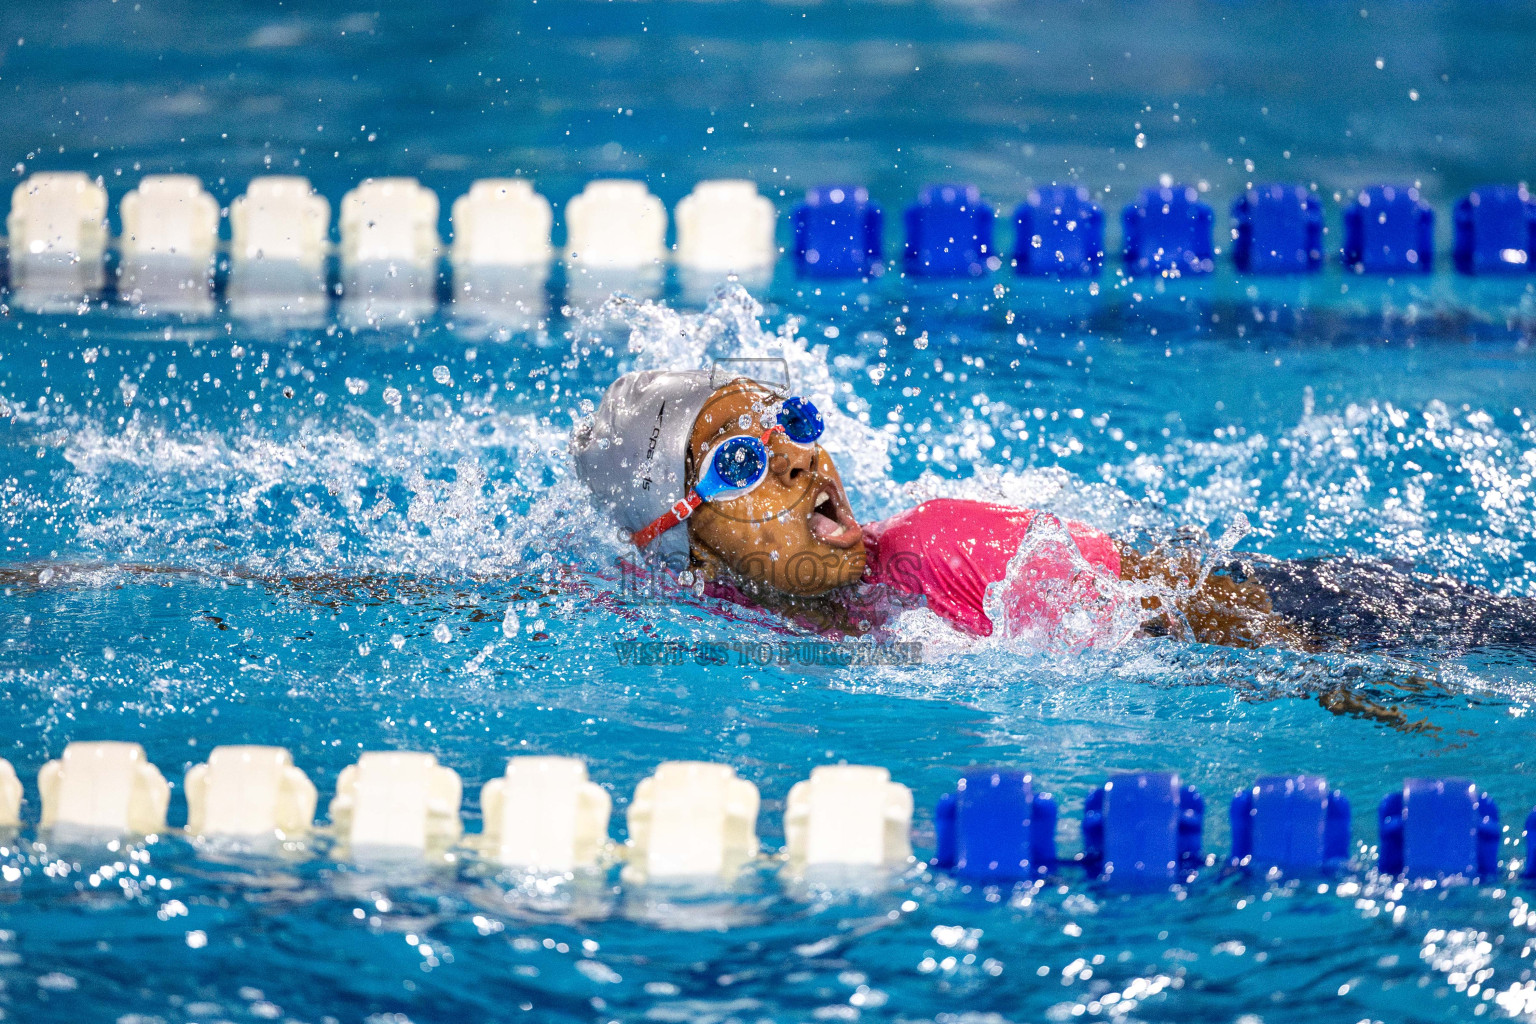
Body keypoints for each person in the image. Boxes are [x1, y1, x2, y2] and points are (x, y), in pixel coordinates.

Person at [572, 370, 1536, 659]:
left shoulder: (933, 553)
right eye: (743, 462)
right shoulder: (719, 608)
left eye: (789, 424)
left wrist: (1340, 689)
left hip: (1360, 625)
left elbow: (1211, 613)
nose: (798, 457)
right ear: (686, 540)